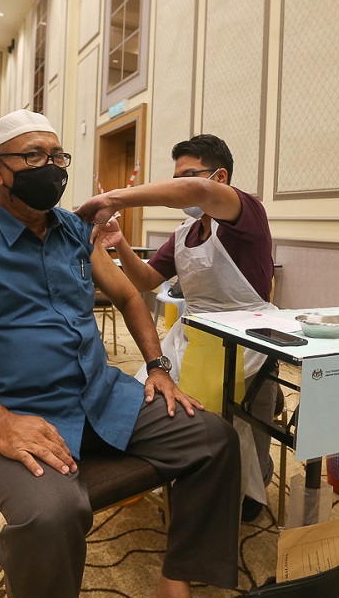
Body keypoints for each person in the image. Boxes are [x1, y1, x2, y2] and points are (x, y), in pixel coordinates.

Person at [0, 110, 240, 598]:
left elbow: (128, 296)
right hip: (15, 412)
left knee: (213, 437)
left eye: (58, 155)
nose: (52, 166)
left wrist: (158, 368)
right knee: (52, 513)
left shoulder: (74, 231)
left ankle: (176, 581)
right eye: (34, 155)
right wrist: (0, 423)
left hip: (101, 395)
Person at [74, 133, 278, 522]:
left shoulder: (245, 211)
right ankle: (166, 469)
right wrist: (119, 244)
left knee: (224, 417)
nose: (179, 186)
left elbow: (195, 190)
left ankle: (243, 484)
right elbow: (147, 281)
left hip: (245, 334)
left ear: (220, 178)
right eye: (176, 176)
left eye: (188, 175)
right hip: (192, 334)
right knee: (145, 397)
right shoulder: (184, 234)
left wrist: (113, 198)